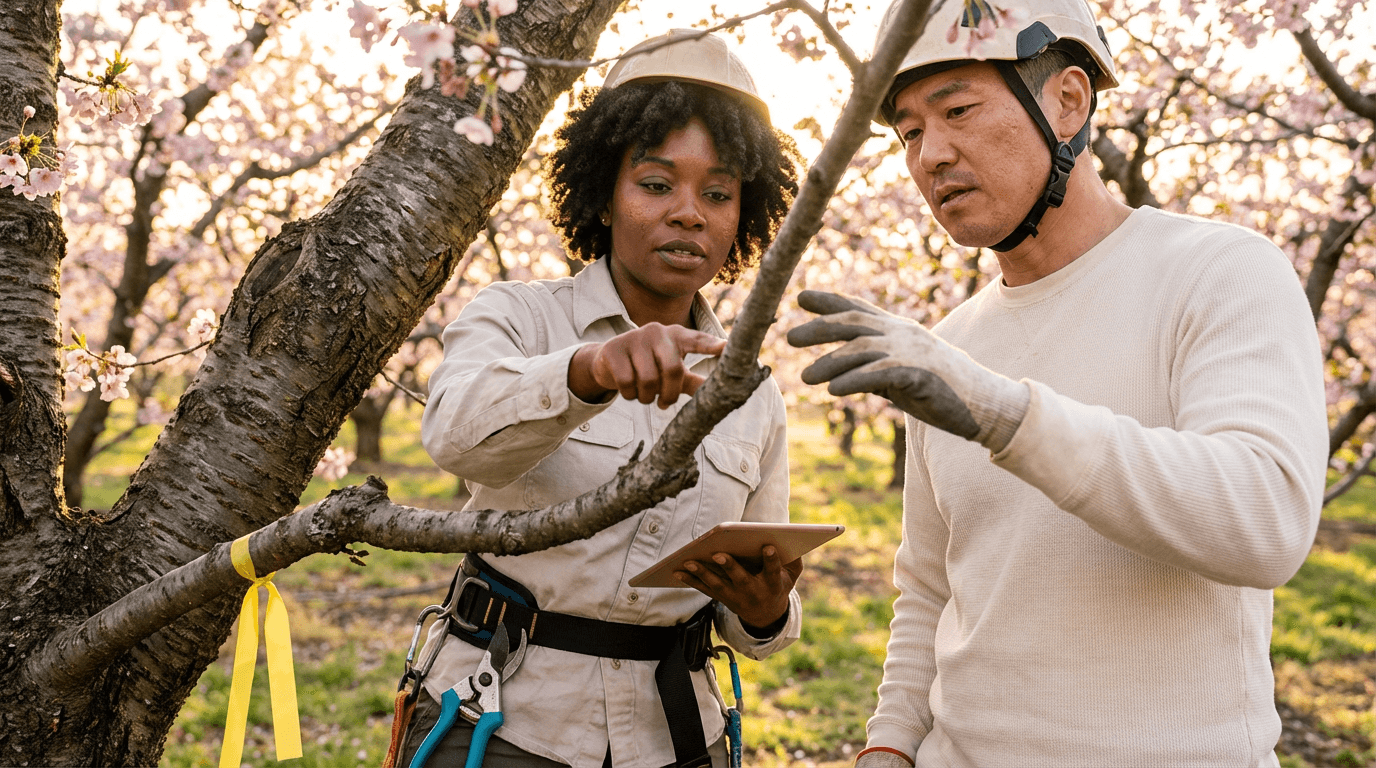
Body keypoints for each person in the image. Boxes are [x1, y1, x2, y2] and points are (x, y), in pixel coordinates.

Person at [786, 1, 1328, 766]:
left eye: (959, 110)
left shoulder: (1222, 273)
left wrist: (1004, 415)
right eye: (908, 131)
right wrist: (890, 745)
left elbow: (1264, 522)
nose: (928, 155)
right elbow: (930, 587)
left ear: (1068, 101)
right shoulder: (948, 348)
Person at [400, 30, 804, 768]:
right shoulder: (518, 317)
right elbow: (452, 434)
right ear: (603, 192)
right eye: (656, 184)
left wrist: (767, 608)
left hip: (678, 736)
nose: (689, 213)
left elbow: (762, 604)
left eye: (717, 194)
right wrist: (587, 372)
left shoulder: (750, 391)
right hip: (502, 720)